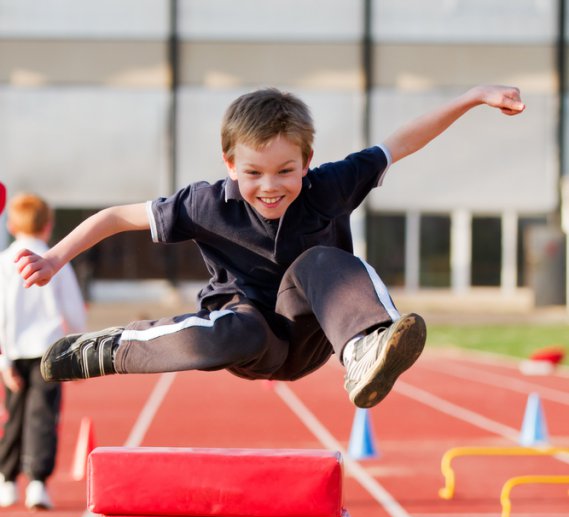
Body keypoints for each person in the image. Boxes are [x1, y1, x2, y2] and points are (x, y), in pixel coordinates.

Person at [14, 85, 524, 411]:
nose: (270, 187)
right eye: (254, 172)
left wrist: (473, 97)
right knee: (238, 327)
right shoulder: (205, 204)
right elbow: (116, 217)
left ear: (307, 161)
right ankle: (109, 349)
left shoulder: (329, 186)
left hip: (314, 335)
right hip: (247, 340)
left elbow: (401, 143)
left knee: (319, 261)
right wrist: (55, 257)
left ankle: (366, 346)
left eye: (285, 171)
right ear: (230, 164)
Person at [0, 193, 86, 509]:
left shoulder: (4, 262)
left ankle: (7, 481)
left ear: (11, 226)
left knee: (13, 415)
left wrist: (4, 360)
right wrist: (77, 351)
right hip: (48, 352)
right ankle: (37, 483)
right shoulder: (56, 260)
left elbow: (1, 312)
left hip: (13, 350)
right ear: (48, 226)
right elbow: (73, 310)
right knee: (44, 416)